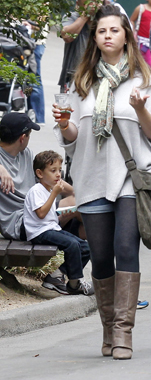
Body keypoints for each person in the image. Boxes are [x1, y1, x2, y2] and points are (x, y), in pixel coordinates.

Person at [53, 4, 151, 360]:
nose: (107, 35)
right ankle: (107, 328)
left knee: (125, 250)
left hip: (130, 182)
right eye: (102, 31)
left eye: (114, 30)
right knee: (101, 257)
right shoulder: (83, 81)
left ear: (126, 36)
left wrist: (140, 109)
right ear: (95, 37)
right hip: (91, 181)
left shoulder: (143, 80)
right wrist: (63, 124)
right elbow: (73, 140)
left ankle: (123, 333)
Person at [0, 112, 82, 295]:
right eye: (29, 134)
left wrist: (78, 192)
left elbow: (51, 178)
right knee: (80, 209)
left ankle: (61, 273)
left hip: (37, 213)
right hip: (19, 223)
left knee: (82, 206)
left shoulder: (25, 154)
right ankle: (75, 274)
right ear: (22, 138)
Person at [23, 151, 93, 295]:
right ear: (40, 173)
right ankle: (75, 284)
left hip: (51, 228)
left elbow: (50, 214)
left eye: (59, 170)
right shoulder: (36, 190)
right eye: (53, 170)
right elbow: (41, 214)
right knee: (72, 245)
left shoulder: (48, 190)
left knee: (86, 248)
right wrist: (55, 194)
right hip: (39, 232)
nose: (58, 174)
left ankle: (56, 276)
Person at [58, 0, 104, 92]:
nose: (91, 6)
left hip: (97, 76)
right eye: (87, 3)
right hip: (73, 75)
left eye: (94, 2)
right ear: (78, 4)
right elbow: (67, 36)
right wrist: (84, 16)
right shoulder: (71, 17)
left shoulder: (103, 20)